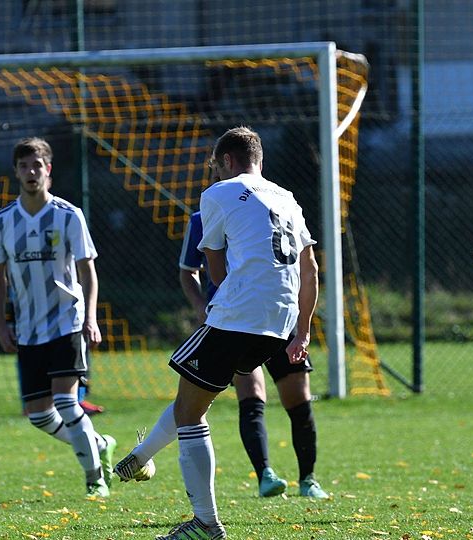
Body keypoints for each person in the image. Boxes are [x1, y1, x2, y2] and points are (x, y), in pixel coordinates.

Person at [115, 127, 319, 539]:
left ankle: (205, 522)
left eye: (215, 165)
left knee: (190, 412)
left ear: (226, 160)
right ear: (258, 159)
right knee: (192, 398)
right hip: (280, 322)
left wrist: (225, 304)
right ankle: (139, 457)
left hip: (240, 314)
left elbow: (215, 267)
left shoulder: (218, 193)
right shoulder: (287, 197)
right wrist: (303, 332)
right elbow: (310, 268)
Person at [0, 137, 115, 497]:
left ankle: (95, 479)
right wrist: (1, 324)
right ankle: (99, 444)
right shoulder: (0, 222)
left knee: (66, 402)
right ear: (16, 172)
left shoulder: (68, 215)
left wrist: (91, 318)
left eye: (37, 165)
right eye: (24, 166)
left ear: (48, 170)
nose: (31, 172)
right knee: (39, 415)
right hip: (27, 328)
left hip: (67, 321)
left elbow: (88, 271)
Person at [180, 208, 327, 499]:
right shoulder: (204, 216)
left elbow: (304, 265)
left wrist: (302, 325)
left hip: (279, 317)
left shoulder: (275, 208)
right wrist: (200, 306)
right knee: (252, 395)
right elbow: (188, 271)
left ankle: (308, 479)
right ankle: (265, 476)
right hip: (235, 323)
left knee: (298, 398)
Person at [0, 265, 105, 416]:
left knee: (67, 397)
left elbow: (83, 264)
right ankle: (31, 404)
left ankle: (76, 400)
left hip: (64, 304)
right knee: (27, 352)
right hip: (26, 303)